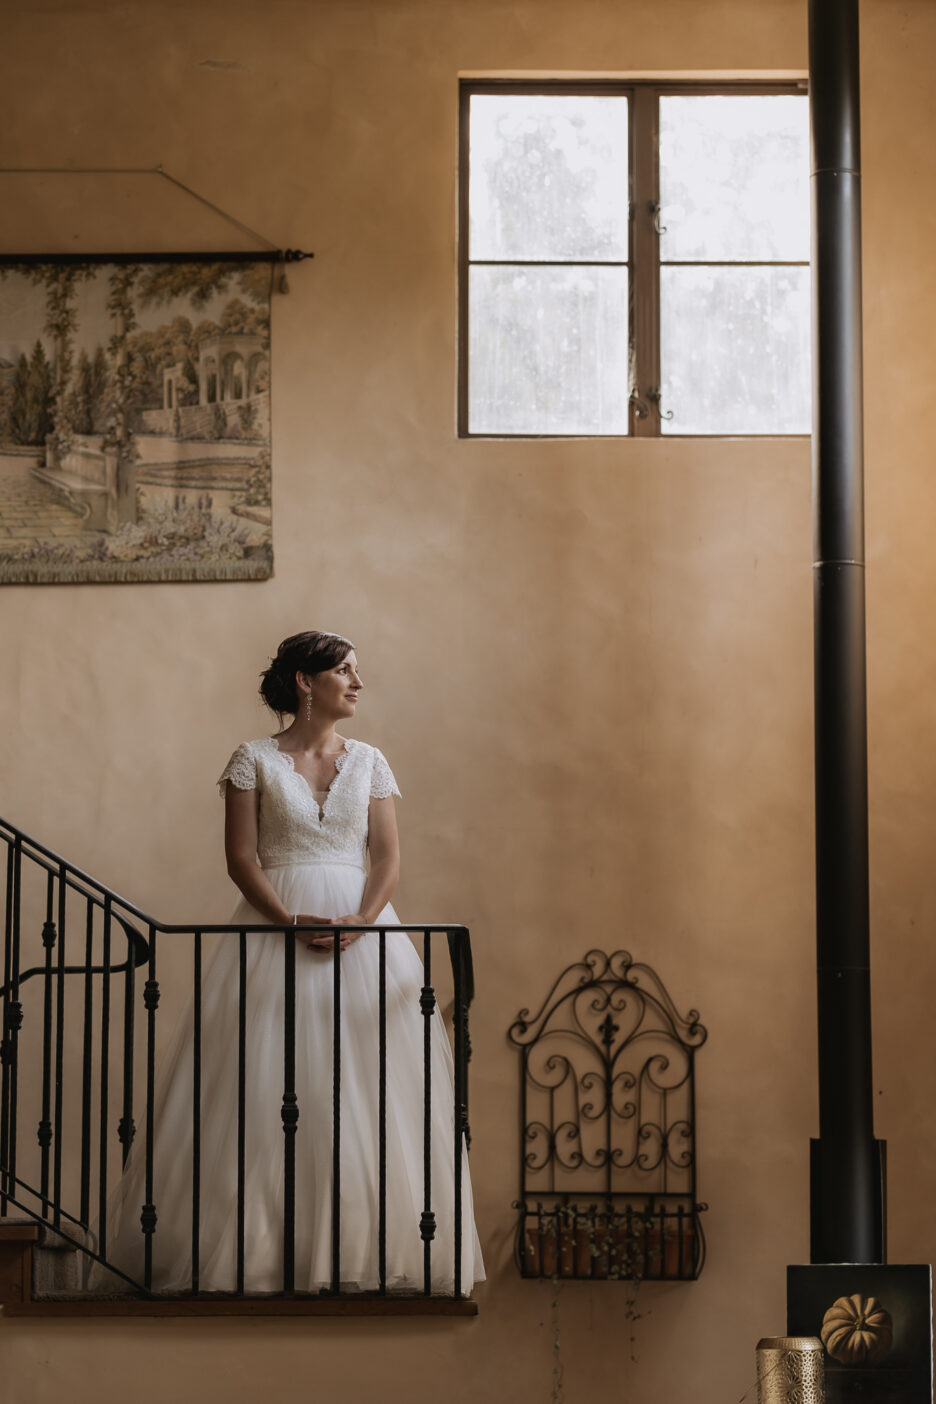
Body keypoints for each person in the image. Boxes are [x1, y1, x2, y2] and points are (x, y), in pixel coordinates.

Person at [96, 630, 483, 1295]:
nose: (358, 683)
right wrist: (288, 921)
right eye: (345, 671)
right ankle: (261, 1254)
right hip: (277, 929)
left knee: (366, 1088)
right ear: (306, 682)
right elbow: (241, 858)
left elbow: (387, 857)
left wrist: (362, 920)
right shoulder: (252, 760)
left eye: (357, 672)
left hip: (365, 933)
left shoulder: (370, 761)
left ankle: (360, 1251)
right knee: (265, 1083)